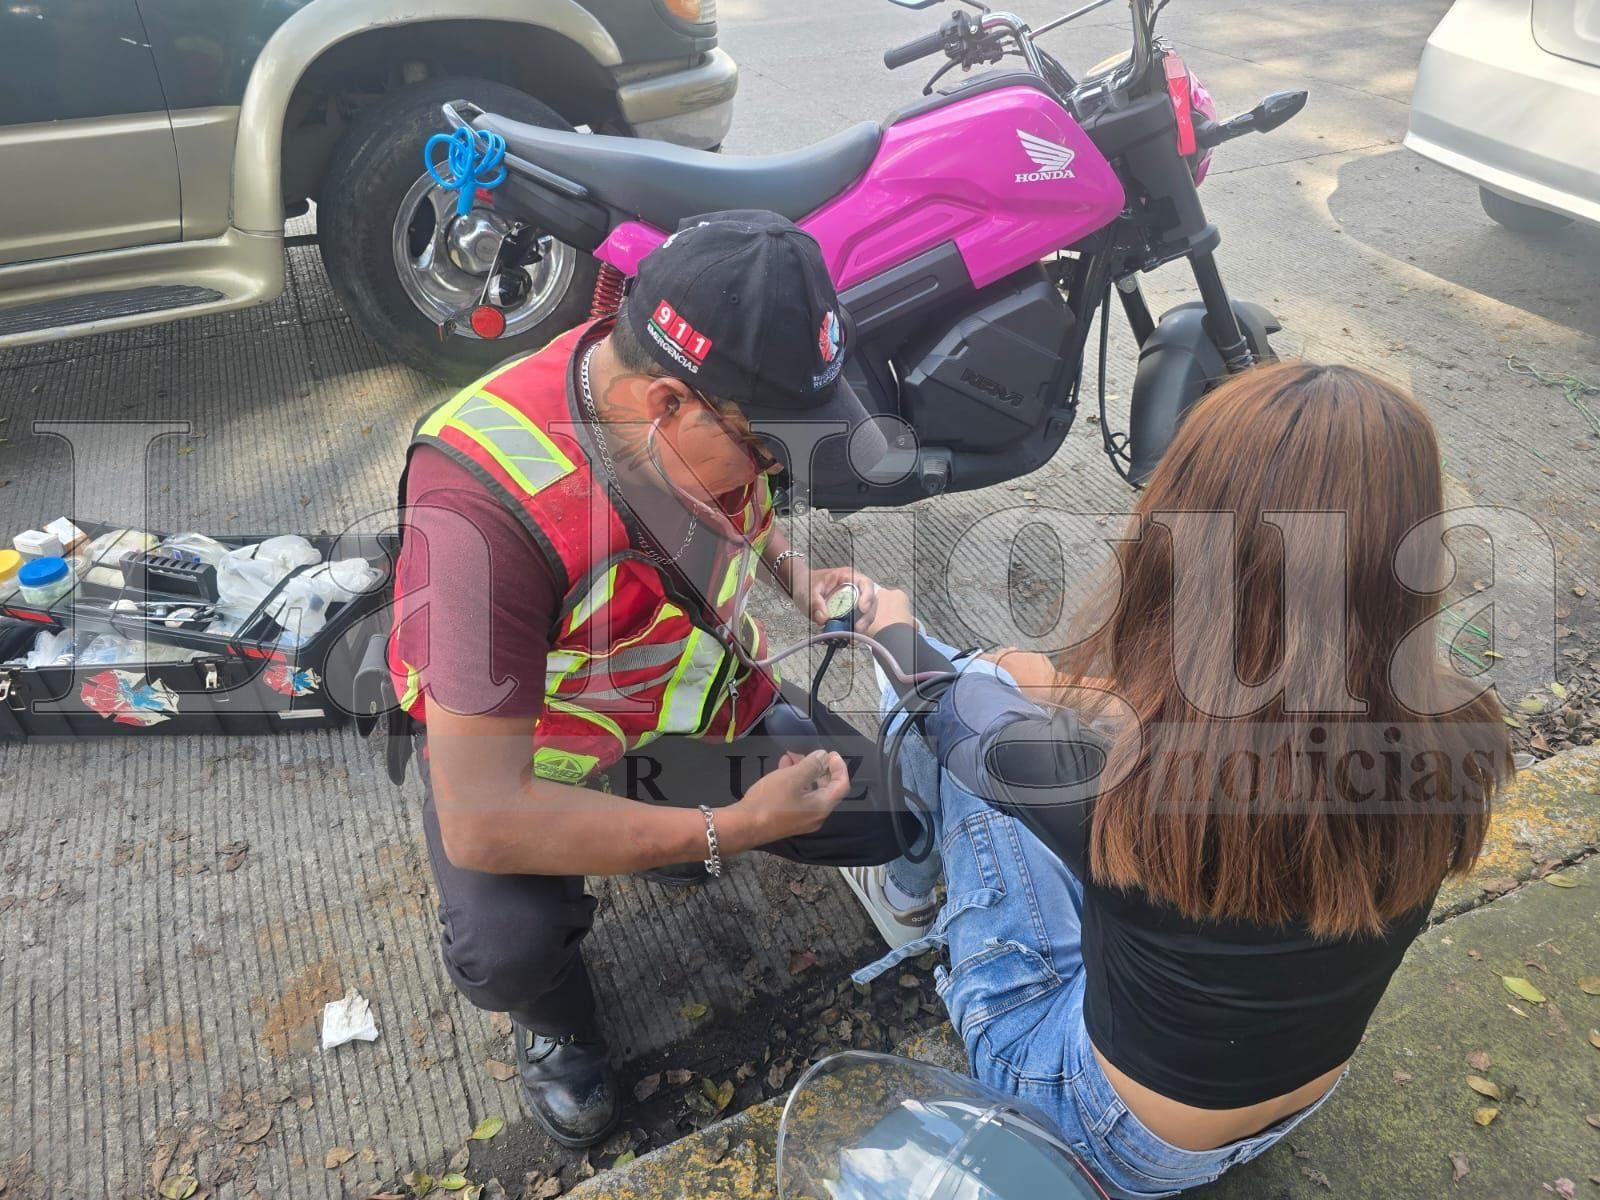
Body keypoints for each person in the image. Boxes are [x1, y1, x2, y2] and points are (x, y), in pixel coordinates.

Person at [842, 362, 1511, 1197]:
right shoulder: (1461, 729)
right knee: (1020, 715)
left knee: (956, 720)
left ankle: (905, 891)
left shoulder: (1135, 783)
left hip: (1101, 1130)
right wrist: (1057, 686)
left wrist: (899, 629)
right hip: (1299, 1094)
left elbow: (951, 709)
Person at [386, 211, 911, 1148]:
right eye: (766, 451)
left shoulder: (675, 403)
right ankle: (556, 1019)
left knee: (880, 808)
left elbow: (745, 499)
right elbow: (484, 813)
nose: (774, 473)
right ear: (668, 404)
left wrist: (798, 575)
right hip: (540, 773)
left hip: (690, 720)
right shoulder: (482, 511)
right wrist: (734, 829)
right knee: (504, 952)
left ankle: (662, 830)